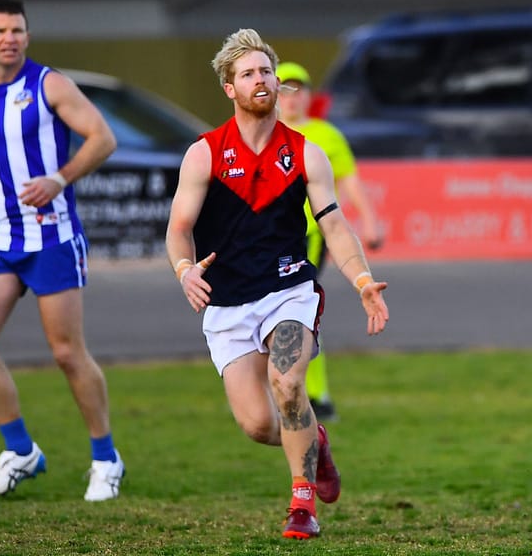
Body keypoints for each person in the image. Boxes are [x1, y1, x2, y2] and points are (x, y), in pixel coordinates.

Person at [165, 28, 388, 540]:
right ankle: (318, 440)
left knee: (289, 384)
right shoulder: (204, 154)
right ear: (229, 87)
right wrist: (185, 270)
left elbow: (334, 223)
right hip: (227, 305)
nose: (261, 80)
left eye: (266, 71)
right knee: (260, 425)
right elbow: (178, 231)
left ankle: (301, 505)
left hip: (288, 291)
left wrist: (361, 280)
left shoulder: (307, 153)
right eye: (248, 74)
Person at [0, 0, 126, 500]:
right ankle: (21, 450)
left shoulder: (48, 84)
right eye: (0, 31)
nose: (10, 39)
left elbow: (102, 137)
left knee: (67, 353)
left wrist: (59, 178)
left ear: (27, 37)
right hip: (0, 237)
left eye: (18, 31)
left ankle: (105, 458)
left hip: (51, 236)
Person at [274, 60, 383, 422]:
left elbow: (350, 181)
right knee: (261, 313)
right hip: (262, 237)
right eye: (284, 89)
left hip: (307, 237)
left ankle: (317, 395)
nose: (291, 98)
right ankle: (266, 390)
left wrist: (370, 223)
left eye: (298, 89)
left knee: (299, 311)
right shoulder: (262, 133)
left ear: (309, 96)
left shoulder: (326, 135)